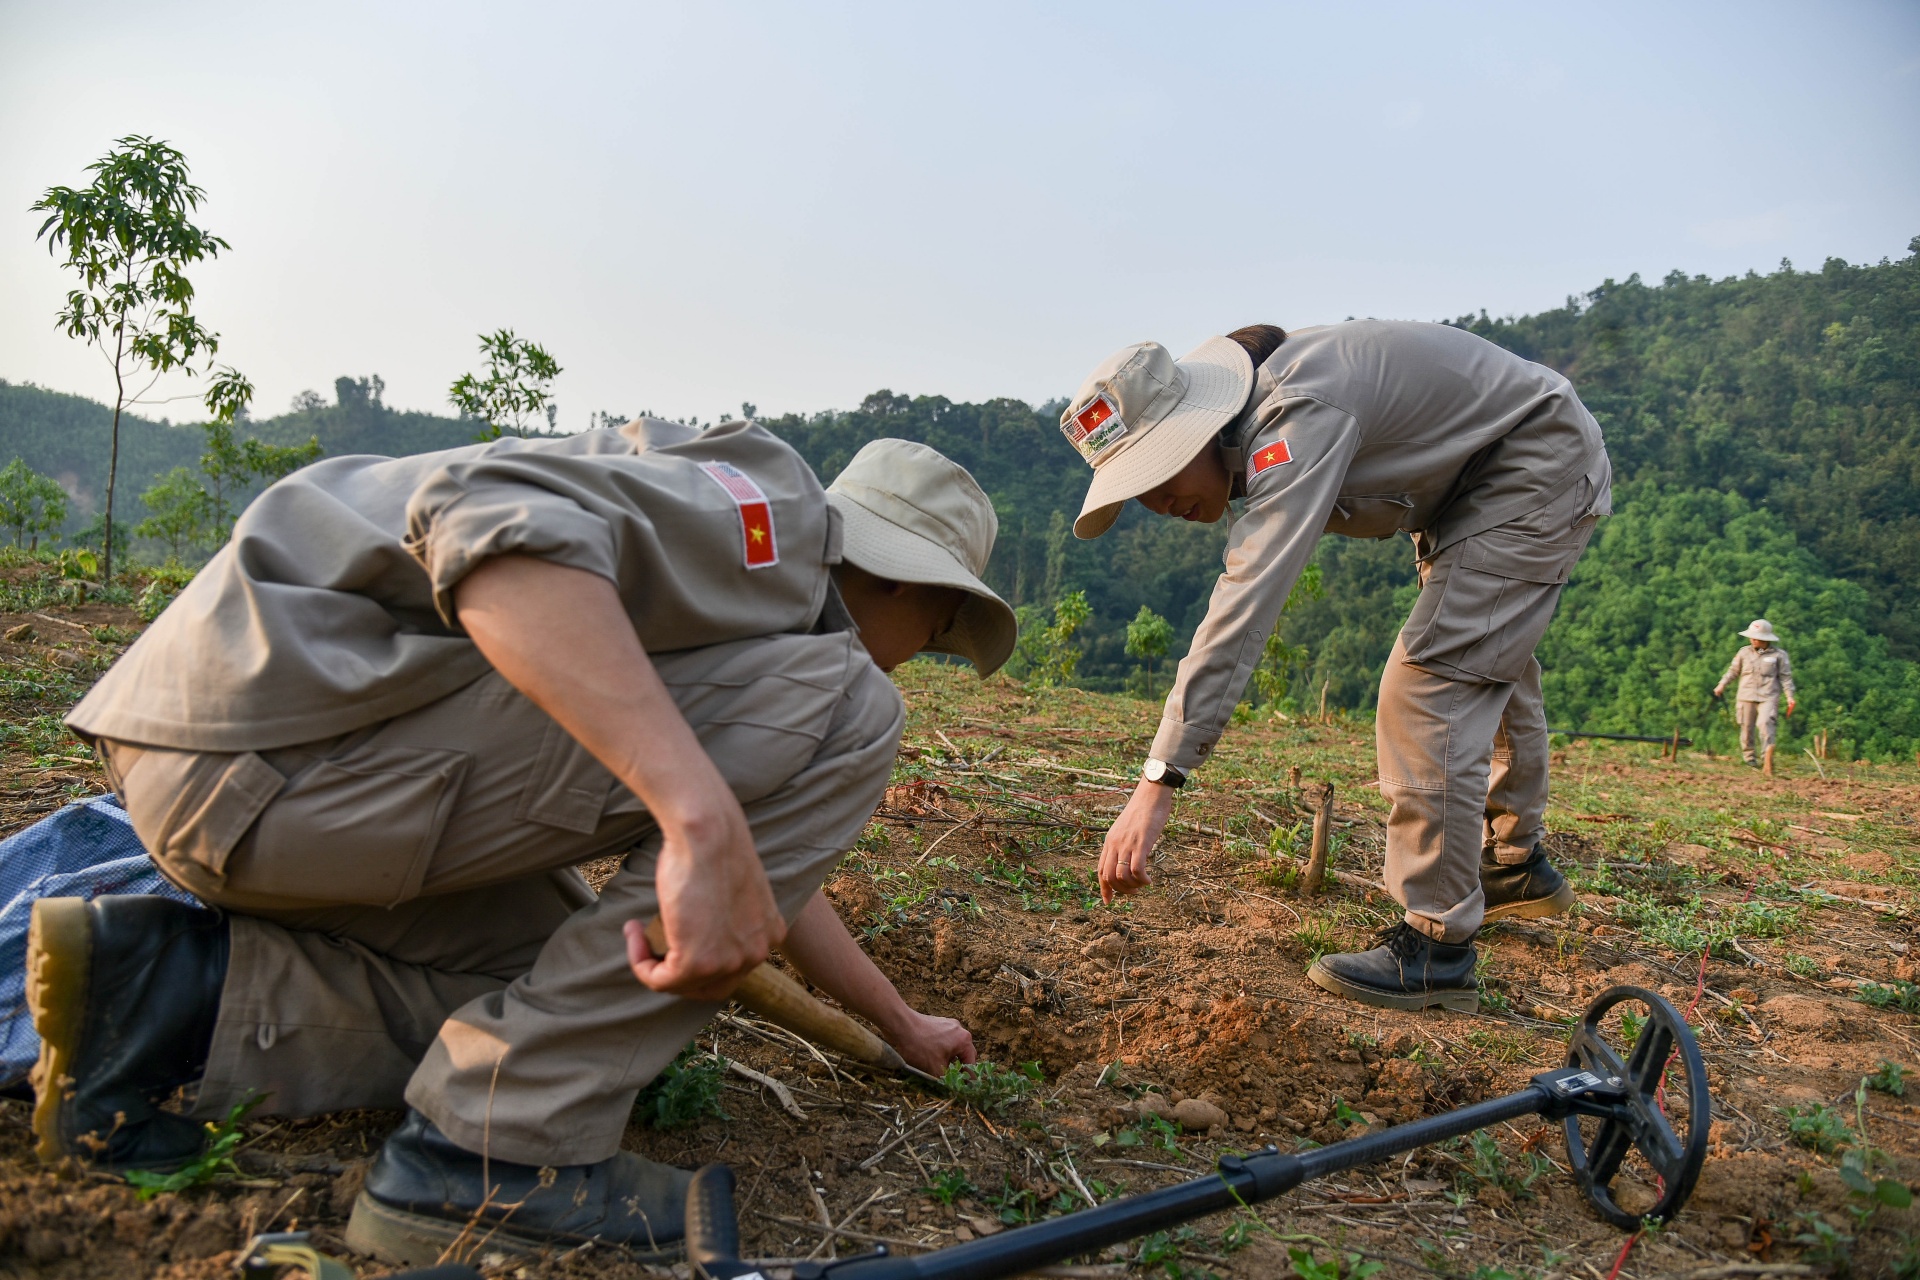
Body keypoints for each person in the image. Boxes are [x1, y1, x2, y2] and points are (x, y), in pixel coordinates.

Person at [29, 424, 1016, 1266]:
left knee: (552, 989)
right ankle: (495, 1154)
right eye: (932, 632)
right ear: (901, 580)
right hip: (283, 753)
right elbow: (483, 515)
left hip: (244, 793)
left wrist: (895, 1017)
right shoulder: (773, 516)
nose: (911, 658)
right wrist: (695, 814)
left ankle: (163, 994)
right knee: (856, 707)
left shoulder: (764, 615)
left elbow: (756, 869)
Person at [1058, 321, 1610, 1013]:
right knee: (1484, 654)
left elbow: (1246, 600)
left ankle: (1437, 947)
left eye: (1158, 472)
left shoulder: (1293, 420)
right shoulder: (1263, 415)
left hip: (1533, 462)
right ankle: (1511, 867)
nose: (1157, 504)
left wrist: (1159, 779)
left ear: (1198, 429)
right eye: (1135, 489)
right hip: (1492, 474)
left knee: (1430, 683)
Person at [1713, 619, 1796, 773]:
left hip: (1769, 695)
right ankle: (1749, 758)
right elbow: (1733, 671)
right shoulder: (1743, 652)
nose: (1752, 639)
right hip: (1746, 695)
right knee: (1746, 727)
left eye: (1756, 637)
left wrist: (1789, 696)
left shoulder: (1779, 655)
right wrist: (1722, 685)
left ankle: (1767, 758)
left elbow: (1786, 677)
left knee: (1765, 724)